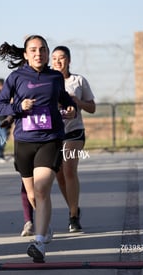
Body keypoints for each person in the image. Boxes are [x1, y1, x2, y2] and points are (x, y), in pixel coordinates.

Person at [0, 35, 76, 263]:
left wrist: (70, 109)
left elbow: (65, 100)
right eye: (33, 50)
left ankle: (39, 243)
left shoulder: (55, 77)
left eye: (42, 49)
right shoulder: (16, 77)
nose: (38, 53)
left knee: (41, 190)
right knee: (32, 194)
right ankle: (45, 226)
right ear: (25, 54)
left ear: (47, 53)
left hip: (50, 139)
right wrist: (18, 106)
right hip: (24, 142)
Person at [52, 46, 96, 232]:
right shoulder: (46, 81)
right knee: (59, 175)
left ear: (68, 60)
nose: (57, 62)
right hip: (53, 133)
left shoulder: (78, 81)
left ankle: (73, 217)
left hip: (74, 132)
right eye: (54, 58)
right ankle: (73, 206)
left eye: (61, 58)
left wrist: (77, 102)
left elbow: (92, 107)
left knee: (69, 169)